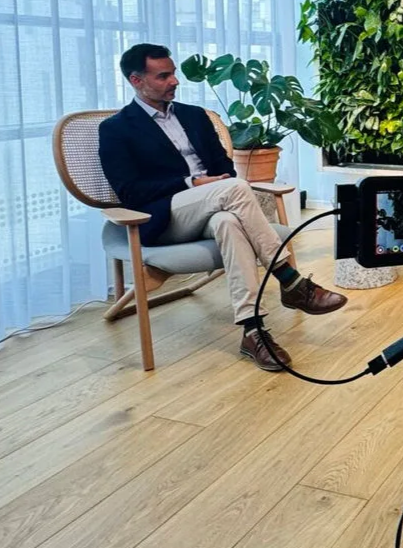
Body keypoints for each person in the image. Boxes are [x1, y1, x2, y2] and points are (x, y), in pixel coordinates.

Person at [98, 44, 347, 371]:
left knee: (228, 222)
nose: (174, 81)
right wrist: (192, 183)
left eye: (173, 73)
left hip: (214, 206)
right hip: (162, 216)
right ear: (136, 80)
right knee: (234, 189)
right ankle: (289, 279)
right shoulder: (116, 129)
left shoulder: (195, 116)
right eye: (163, 76)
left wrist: (215, 182)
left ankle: (252, 330)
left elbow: (223, 165)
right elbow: (130, 191)